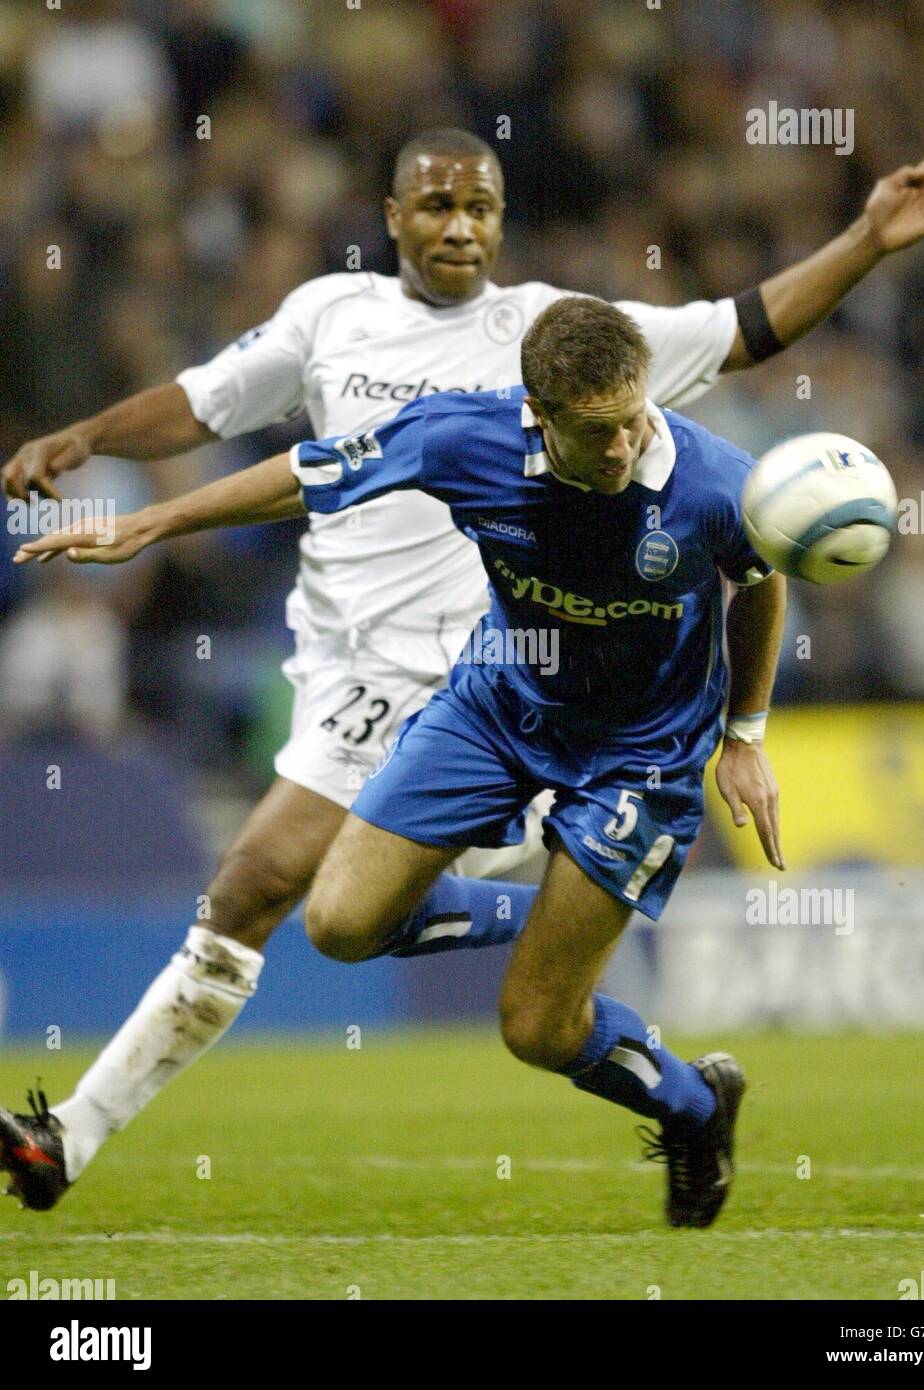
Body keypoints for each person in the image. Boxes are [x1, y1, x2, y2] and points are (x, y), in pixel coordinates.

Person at [0, 128, 924, 1211]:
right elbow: (264, 446)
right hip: (461, 688)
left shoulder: (640, 403)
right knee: (330, 916)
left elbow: (747, 342)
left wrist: (868, 239)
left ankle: (682, 1089)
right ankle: (565, 903)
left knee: (509, 1013)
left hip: (608, 731)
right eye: (436, 205)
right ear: (392, 214)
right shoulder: (386, 358)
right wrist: (142, 511)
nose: (461, 224)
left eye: (482, 206)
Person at [9, 297, 787, 1227]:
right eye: (595, 434)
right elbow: (307, 473)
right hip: (497, 706)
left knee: (536, 1029)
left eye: (631, 422)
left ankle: (695, 1106)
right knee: (338, 924)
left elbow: (760, 575)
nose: (621, 449)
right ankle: (553, 918)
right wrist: (155, 523)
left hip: (640, 757)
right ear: (535, 414)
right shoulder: (466, 437)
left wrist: (744, 735)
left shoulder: (708, 483)